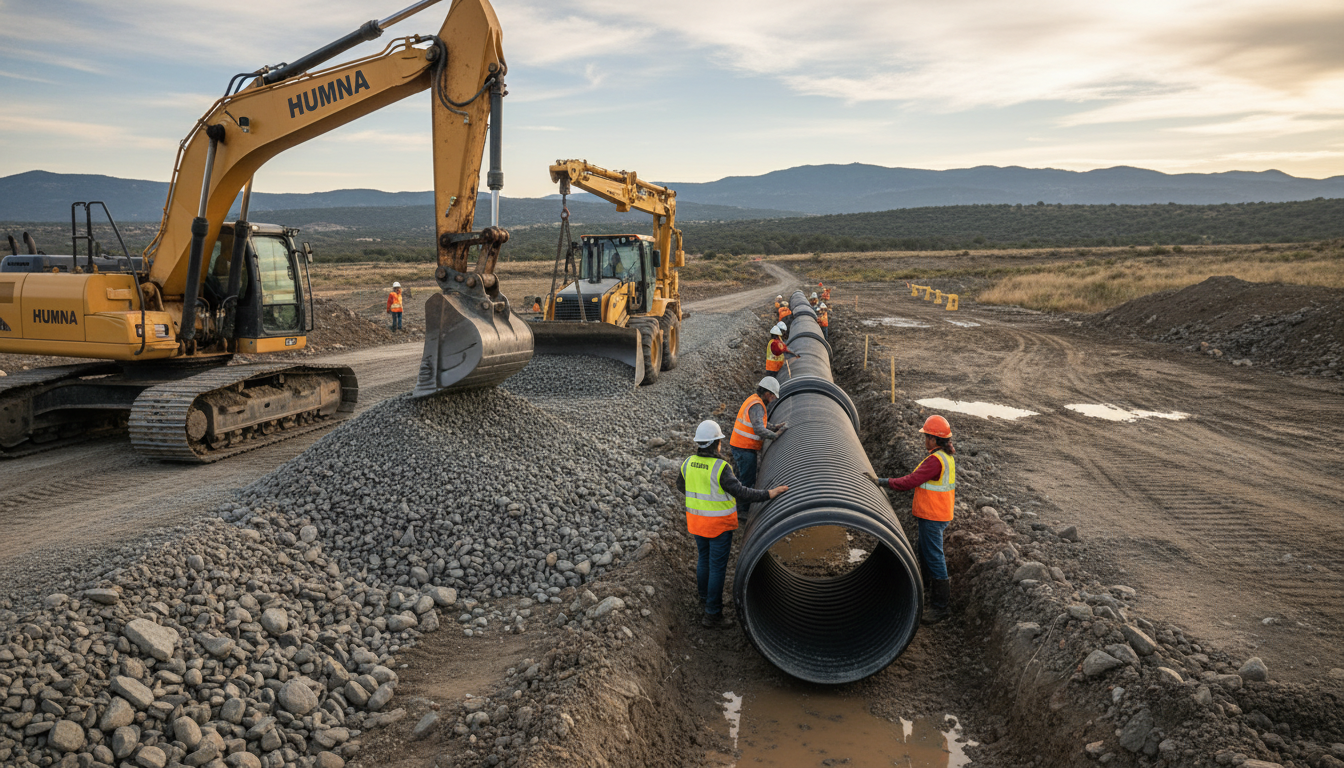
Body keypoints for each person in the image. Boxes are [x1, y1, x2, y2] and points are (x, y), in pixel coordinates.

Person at [680, 420, 788, 628]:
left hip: (696, 523)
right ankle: (712, 614)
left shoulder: (688, 463)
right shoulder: (720, 468)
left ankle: (704, 598)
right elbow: (741, 492)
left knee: (704, 559)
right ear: (715, 444)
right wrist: (769, 494)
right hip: (719, 527)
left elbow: (680, 486)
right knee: (717, 567)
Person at [867, 415, 957, 624]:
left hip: (933, 516)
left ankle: (940, 607)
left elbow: (910, 481)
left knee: (934, 556)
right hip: (935, 514)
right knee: (925, 553)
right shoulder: (944, 456)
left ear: (934, 439)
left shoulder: (936, 460)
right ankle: (922, 590)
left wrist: (882, 482)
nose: (924, 440)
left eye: (926, 437)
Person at [728, 376, 788, 516]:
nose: (773, 399)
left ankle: (735, 504)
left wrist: (774, 427)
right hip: (744, 448)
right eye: (773, 396)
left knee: (739, 477)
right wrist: (775, 435)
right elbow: (758, 429)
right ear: (767, 393)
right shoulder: (757, 405)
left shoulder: (754, 400)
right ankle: (742, 511)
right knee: (747, 480)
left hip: (739, 445)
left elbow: (760, 423)